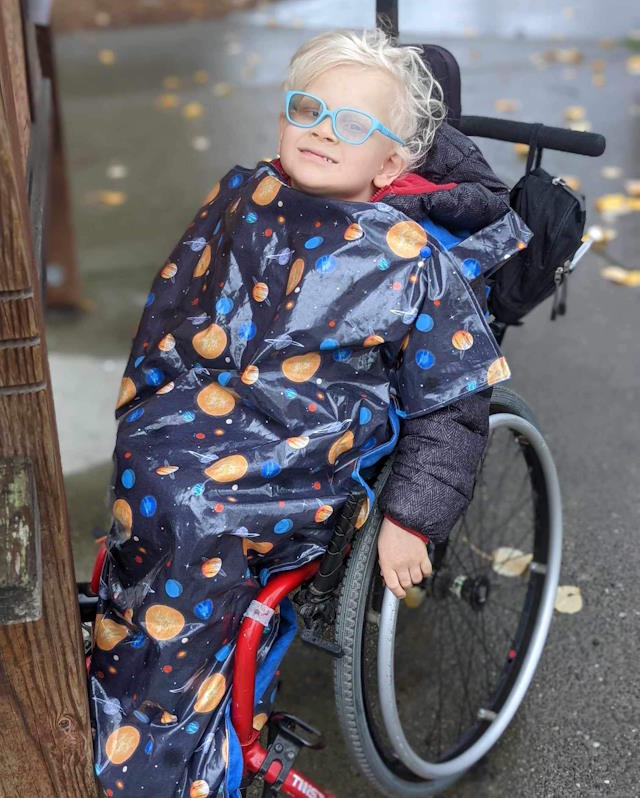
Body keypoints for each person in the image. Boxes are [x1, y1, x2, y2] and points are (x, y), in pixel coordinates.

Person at [89, 28, 529, 798]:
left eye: (354, 124)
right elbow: (183, 307)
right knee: (150, 463)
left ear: (392, 165)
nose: (324, 129)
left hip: (312, 446)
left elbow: (453, 401)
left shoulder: (410, 259)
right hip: (217, 410)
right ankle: (136, 667)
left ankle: (166, 748)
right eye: (308, 109)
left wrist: (411, 519)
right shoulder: (249, 198)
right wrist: (162, 393)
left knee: (193, 507)